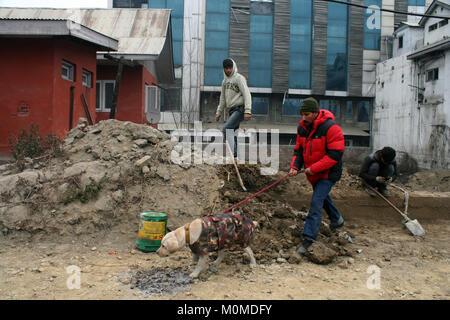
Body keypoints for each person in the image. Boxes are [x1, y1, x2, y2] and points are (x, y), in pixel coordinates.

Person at [288, 97, 345, 255]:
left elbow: (335, 154)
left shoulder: (331, 128)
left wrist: (314, 168)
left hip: (328, 173)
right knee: (322, 197)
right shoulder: (302, 129)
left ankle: (309, 239)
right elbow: (299, 151)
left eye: (306, 114)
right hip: (313, 173)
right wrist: (294, 167)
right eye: (302, 114)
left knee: (316, 201)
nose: (303, 118)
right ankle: (337, 220)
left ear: (315, 113)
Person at [215, 58, 252, 158]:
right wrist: (218, 112)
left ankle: (233, 155)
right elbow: (222, 98)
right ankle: (238, 159)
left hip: (240, 109)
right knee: (234, 134)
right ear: (223, 69)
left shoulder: (239, 78)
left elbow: (246, 94)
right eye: (226, 68)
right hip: (231, 110)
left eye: (230, 68)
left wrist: (248, 110)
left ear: (233, 67)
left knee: (227, 129)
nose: (228, 70)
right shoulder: (224, 82)